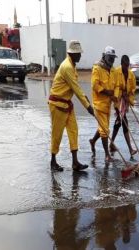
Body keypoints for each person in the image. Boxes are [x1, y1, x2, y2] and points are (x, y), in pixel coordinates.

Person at [48, 40, 94, 172]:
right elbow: (76, 88)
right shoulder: (67, 67)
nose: (80, 56)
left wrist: (87, 102)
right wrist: (88, 107)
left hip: (67, 104)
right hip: (57, 104)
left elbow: (77, 88)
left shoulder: (72, 65)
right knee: (57, 134)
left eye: (80, 53)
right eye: (78, 53)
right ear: (71, 54)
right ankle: (53, 161)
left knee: (73, 131)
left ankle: (75, 162)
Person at [89, 46, 118, 162]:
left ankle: (93, 140)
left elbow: (116, 86)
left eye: (113, 58)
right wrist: (106, 91)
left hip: (108, 105)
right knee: (105, 129)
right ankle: (107, 155)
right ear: (104, 56)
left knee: (103, 127)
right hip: (99, 104)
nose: (112, 60)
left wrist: (116, 104)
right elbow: (94, 85)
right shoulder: (97, 68)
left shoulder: (113, 70)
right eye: (110, 57)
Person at [110, 55, 137, 158]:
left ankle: (111, 143)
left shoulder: (131, 74)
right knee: (124, 122)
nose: (126, 68)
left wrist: (128, 94)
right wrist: (122, 93)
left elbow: (133, 88)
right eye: (125, 66)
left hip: (125, 102)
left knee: (119, 123)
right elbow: (113, 86)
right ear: (121, 64)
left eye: (128, 66)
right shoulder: (116, 72)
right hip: (118, 100)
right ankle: (130, 148)